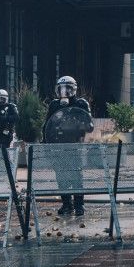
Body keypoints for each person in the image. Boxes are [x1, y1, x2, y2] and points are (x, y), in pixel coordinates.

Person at [43, 75, 92, 216]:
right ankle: (66, 204)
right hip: (59, 146)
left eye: (67, 88)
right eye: (61, 89)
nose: (64, 92)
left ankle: (79, 205)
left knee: (77, 176)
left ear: (74, 89)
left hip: (75, 146)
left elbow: (89, 124)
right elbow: (47, 124)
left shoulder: (81, 103)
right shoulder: (54, 104)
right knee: (61, 176)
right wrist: (46, 142)